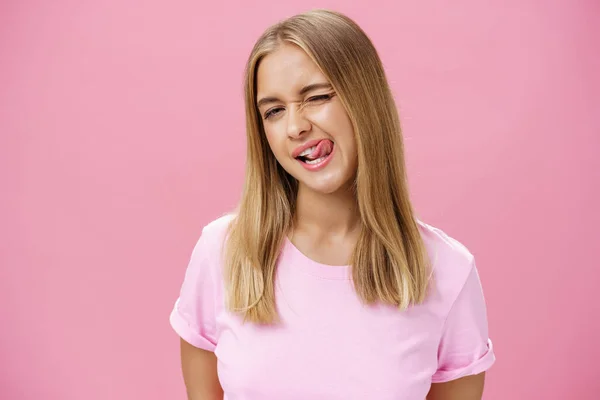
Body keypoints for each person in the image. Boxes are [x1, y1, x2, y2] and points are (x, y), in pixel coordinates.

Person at [169, 9, 495, 400]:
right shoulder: (221, 251)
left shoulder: (447, 271)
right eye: (274, 111)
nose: (295, 127)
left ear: (365, 98)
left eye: (317, 97)